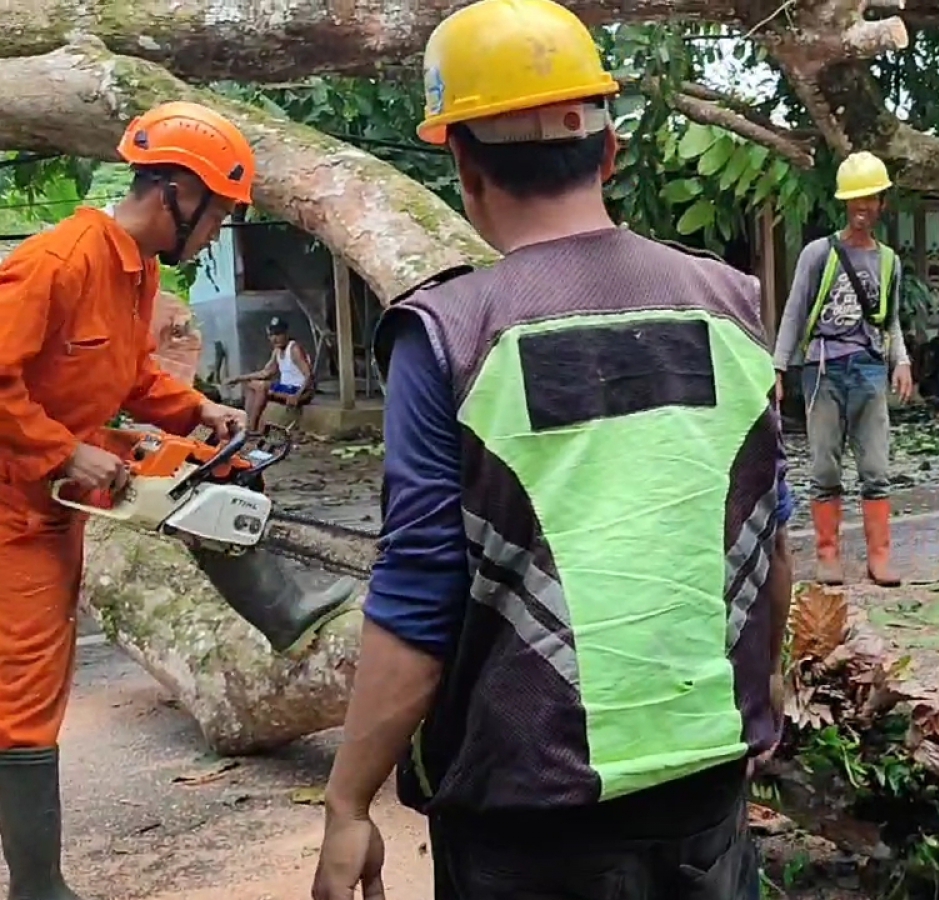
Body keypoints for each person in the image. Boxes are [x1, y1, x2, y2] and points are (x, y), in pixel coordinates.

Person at [309, 1, 795, 897]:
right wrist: (754, 707)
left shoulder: (451, 332)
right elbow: (769, 533)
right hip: (706, 783)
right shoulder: (731, 304)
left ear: (461, 161)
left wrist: (348, 802)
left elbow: (419, 591)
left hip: (527, 816)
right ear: (609, 152)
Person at [0, 102, 358, 900]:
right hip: (15, 506)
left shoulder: (136, 275)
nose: (221, 225)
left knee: (209, 469)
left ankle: (282, 604)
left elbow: (128, 377)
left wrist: (192, 410)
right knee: (24, 697)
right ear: (174, 192)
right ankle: (35, 885)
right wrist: (67, 450)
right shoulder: (57, 262)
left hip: (60, 492)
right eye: (220, 209)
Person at [771, 151, 914, 587]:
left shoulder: (889, 261)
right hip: (822, 368)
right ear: (843, 203)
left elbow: (889, 321)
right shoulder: (819, 254)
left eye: (870, 199)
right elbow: (795, 310)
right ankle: (827, 553)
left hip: (869, 368)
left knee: (875, 467)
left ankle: (880, 556)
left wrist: (901, 361)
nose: (862, 208)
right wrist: (779, 368)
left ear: (882, 202)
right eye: (855, 200)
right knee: (824, 466)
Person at [227, 316, 314, 432]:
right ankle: (247, 423)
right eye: (271, 335)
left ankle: (251, 428)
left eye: (278, 334)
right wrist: (238, 378)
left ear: (286, 334)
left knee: (263, 386)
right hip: (286, 389)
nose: (274, 339)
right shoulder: (277, 351)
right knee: (252, 384)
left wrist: (297, 395)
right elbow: (265, 373)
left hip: (299, 391)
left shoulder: (294, 349)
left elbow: (309, 375)